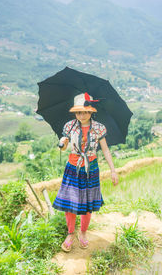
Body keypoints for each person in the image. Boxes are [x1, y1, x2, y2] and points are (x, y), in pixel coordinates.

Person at [53, 92, 118, 252]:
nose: (82, 115)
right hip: (72, 168)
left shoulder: (98, 128)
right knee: (70, 203)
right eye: (78, 112)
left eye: (85, 112)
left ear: (91, 111)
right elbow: (63, 147)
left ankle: (82, 233)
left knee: (87, 204)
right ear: (75, 112)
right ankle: (70, 234)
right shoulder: (69, 126)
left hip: (91, 169)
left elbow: (105, 149)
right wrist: (62, 143)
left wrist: (113, 170)